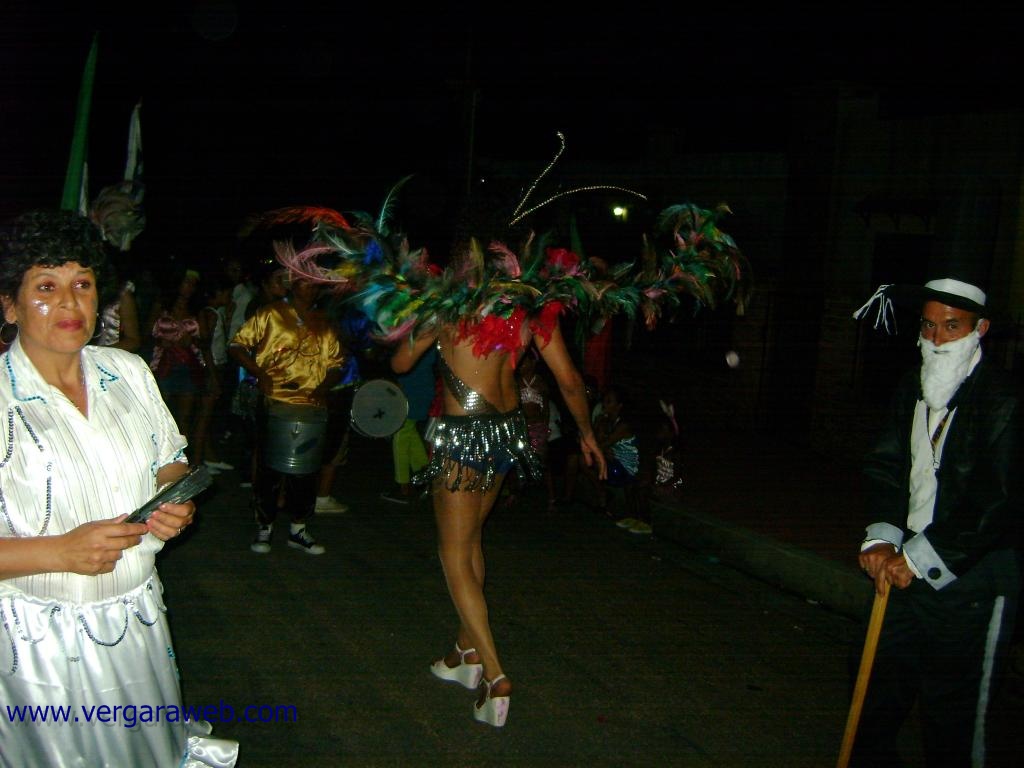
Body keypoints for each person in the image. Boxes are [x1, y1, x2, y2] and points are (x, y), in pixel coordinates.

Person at [0, 210, 237, 766]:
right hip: (34, 646)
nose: (69, 303)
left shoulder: (127, 371)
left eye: (82, 285)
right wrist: (58, 551)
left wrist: (175, 499)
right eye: (46, 287)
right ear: (10, 305)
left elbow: (169, 460)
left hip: (137, 622)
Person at [851, 276, 1022, 766]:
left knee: (954, 717)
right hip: (903, 564)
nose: (937, 338)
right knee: (874, 694)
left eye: (952, 326)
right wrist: (882, 538)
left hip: (973, 577)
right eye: (928, 326)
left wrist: (918, 557)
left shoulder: (1004, 399)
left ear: (979, 329)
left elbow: (998, 501)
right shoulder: (913, 384)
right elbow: (887, 464)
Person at [230, 275, 345, 555]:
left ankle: (298, 528)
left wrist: (323, 388)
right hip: (275, 401)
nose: (311, 288)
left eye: (315, 284)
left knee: (306, 470)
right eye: (305, 283)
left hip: (311, 407)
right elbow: (237, 345)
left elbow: (336, 363)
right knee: (269, 468)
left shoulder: (323, 321)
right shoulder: (271, 314)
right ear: (293, 285)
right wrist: (259, 373)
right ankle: (265, 525)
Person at [380, 343, 436, 504]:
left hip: (413, 387)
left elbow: (403, 362)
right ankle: (424, 476)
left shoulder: (419, 335)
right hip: (420, 384)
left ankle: (403, 485)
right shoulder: (429, 334)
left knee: (401, 434)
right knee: (409, 432)